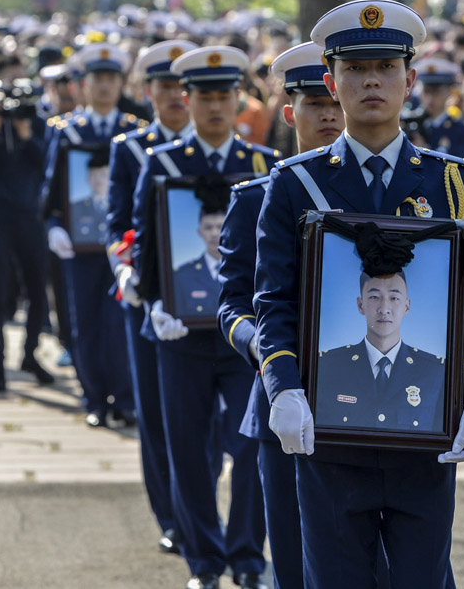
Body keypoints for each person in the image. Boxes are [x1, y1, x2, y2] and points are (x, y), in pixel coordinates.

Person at [256, 0, 464, 588]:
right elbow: (275, 301)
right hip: (330, 438)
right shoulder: (296, 184)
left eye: (387, 67)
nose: (372, 80)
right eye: (355, 68)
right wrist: (285, 387)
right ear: (330, 81)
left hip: (423, 434)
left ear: (410, 79)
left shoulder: (451, 181)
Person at [131, 45, 277, 589]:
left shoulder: (262, 165)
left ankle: (246, 554)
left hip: (246, 335)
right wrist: (153, 304)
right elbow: (148, 247)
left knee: (253, 444)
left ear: (240, 99)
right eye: (205, 97)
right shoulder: (162, 162)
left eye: (225, 96)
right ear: (184, 100)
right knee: (188, 448)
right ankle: (204, 561)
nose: (216, 108)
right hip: (181, 332)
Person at [216, 40, 344, 589]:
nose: (329, 117)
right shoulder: (255, 198)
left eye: (334, 104)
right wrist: (265, 352)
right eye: (315, 105)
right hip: (283, 399)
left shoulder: (388, 195)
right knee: (292, 566)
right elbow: (234, 305)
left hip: (369, 402)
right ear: (290, 113)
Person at [106, 39, 198, 556]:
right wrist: (125, 269)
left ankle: (198, 505)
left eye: (181, 87)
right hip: (147, 299)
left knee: (204, 417)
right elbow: (118, 223)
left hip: (206, 303)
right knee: (158, 415)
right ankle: (172, 515)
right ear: (148, 92)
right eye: (163, 86)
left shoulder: (222, 150)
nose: (173, 96)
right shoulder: (130, 149)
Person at [45, 42, 143, 427]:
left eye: (111, 79)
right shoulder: (67, 131)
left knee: (120, 324)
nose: (104, 86)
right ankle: (94, 399)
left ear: (121, 83)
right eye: (96, 79)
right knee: (84, 323)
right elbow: (51, 190)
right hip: (81, 247)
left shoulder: (134, 130)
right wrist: (53, 225)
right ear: (83, 85)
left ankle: (126, 398)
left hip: (123, 247)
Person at [0, 60, 55, 392]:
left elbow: (46, 162)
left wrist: (25, 134)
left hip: (29, 214)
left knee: (36, 290)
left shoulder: (36, 121)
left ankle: (30, 353)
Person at [315, 271, 446, 430]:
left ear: (406, 306)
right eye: (374, 297)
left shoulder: (435, 373)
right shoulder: (328, 366)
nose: (384, 309)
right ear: (360, 304)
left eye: (394, 298)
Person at [412, 58, 464, 159]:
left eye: (436, 92)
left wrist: (426, 150)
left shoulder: (461, 130)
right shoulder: (413, 124)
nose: (430, 98)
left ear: (449, 92)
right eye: (426, 91)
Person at [172, 207, 225, 319]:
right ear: (200, 232)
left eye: (220, 227)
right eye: (208, 227)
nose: (215, 233)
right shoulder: (183, 276)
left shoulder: (243, 271)